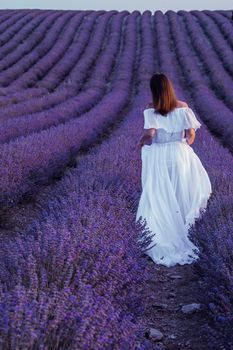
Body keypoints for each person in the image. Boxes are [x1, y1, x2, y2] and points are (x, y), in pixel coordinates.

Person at [135, 73, 212, 268]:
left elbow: (150, 135)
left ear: (154, 90)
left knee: (160, 195)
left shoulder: (151, 110)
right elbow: (190, 135)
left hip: (160, 158)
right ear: (169, 88)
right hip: (179, 154)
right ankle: (185, 231)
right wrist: (184, 143)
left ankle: (164, 234)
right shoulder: (183, 108)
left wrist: (141, 143)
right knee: (182, 192)